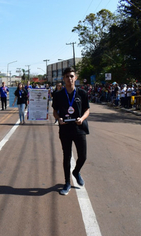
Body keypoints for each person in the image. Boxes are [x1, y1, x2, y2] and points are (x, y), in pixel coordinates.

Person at [52, 67, 90, 196]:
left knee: (83, 156)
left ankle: (76, 171)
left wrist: (82, 118)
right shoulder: (58, 95)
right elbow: (54, 112)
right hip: (65, 129)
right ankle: (67, 182)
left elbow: (87, 110)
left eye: (72, 76)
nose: (70, 78)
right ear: (63, 79)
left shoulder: (82, 93)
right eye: (67, 76)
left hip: (79, 128)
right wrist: (59, 118)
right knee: (66, 156)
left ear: (76, 77)